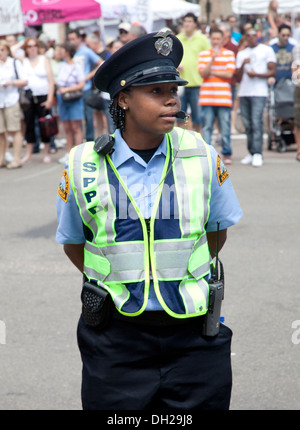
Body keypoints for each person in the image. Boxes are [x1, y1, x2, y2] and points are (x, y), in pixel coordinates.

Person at [56, 30, 243, 410]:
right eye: (156, 92)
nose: (172, 99)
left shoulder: (201, 156)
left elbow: (216, 233)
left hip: (194, 338)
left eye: (173, 89)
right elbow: (74, 242)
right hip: (115, 340)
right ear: (123, 99)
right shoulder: (82, 165)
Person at [236, 28, 276, 167]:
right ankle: (251, 152)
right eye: (249, 36)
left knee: (256, 121)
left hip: (259, 92)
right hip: (244, 91)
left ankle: (258, 153)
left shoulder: (266, 50)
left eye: (254, 36)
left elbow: (273, 70)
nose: (252, 38)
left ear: (257, 37)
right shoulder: (241, 54)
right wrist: (242, 64)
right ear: (246, 38)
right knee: (247, 123)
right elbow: (238, 77)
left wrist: (257, 75)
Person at [198, 28, 236, 165]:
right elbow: (202, 74)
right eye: (213, 39)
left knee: (225, 126)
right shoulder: (203, 54)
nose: (215, 41)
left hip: (223, 97)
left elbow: (229, 75)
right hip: (207, 97)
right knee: (207, 126)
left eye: (218, 39)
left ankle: (227, 152)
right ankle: (207, 153)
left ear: (222, 40)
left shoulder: (229, 54)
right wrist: (212, 61)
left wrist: (212, 72)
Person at [20, 37, 55, 164]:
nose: (32, 48)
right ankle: (28, 153)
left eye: (34, 45)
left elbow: (51, 81)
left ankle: (46, 151)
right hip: (29, 97)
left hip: (43, 96)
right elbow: (11, 50)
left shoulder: (43, 59)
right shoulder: (23, 61)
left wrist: (50, 99)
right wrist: (20, 42)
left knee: (44, 125)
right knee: (29, 124)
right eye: (29, 46)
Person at [177, 13, 211, 133]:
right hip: (181, 84)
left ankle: (199, 143)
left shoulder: (202, 39)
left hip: (197, 83)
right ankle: (180, 145)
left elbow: (208, 58)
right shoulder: (178, 38)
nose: (187, 23)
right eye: (185, 21)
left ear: (195, 24)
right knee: (180, 116)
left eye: (190, 21)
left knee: (198, 118)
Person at [67, 29, 103, 142]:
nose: (72, 41)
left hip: (85, 88)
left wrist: (87, 76)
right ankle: (77, 141)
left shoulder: (86, 51)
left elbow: (101, 63)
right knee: (75, 118)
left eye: (73, 39)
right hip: (72, 89)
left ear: (79, 39)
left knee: (88, 116)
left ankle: (89, 140)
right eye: (70, 39)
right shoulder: (69, 52)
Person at [56, 42, 85, 164]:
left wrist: (67, 89)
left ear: (67, 52)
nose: (59, 52)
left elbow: (81, 84)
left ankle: (78, 154)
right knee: (67, 127)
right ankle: (69, 153)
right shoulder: (61, 66)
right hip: (62, 98)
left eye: (61, 50)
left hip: (74, 98)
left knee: (76, 127)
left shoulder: (77, 66)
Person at [0, 40, 27, 168]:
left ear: (7, 51)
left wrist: (11, 83)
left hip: (11, 99)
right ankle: (2, 158)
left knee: (14, 129)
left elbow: (24, 80)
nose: (0, 53)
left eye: (2, 50)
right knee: (1, 131)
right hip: (0, 101)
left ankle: (16, 158)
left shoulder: (14, 63)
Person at [292, 41, 300, 161]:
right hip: (299, 89)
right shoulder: (297, 48)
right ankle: (299, 150)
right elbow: (296, 73)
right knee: (298, 122)